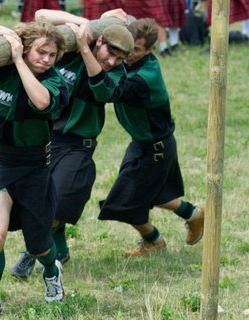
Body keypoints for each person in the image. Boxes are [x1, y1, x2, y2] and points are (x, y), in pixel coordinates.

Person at [10, 9, 134, 277]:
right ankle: (61, 249)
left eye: (119, 58)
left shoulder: (116, 73)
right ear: (99, 40)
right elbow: (41, 14)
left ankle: (33, 251)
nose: (112, 61)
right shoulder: (68, 50)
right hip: (49, 138)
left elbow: (102, 90)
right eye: (110, 53)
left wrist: (87, 51)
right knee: (43, 198)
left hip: (79, 144)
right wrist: (82, 22)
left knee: (59, 201)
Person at [0, 22, 67, 318]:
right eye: (40, 52)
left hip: (34, 167)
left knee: (39, 245)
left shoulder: (54, 81)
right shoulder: (0, 70)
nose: (46, 59)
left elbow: (41, 102)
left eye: (52, 54)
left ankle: (52, 271)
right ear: (26, 48)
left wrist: (18, 61)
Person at [97, 16, 205, 257]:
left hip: (156, 147)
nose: (126, 54)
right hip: (143, 143)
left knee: (125, 201)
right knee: (150, 194)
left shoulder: (144, 79)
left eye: (135, 50)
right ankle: (193, 214)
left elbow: (109, 89)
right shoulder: (129, 60)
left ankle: (155, 240)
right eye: (125, 47)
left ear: (149, 50)